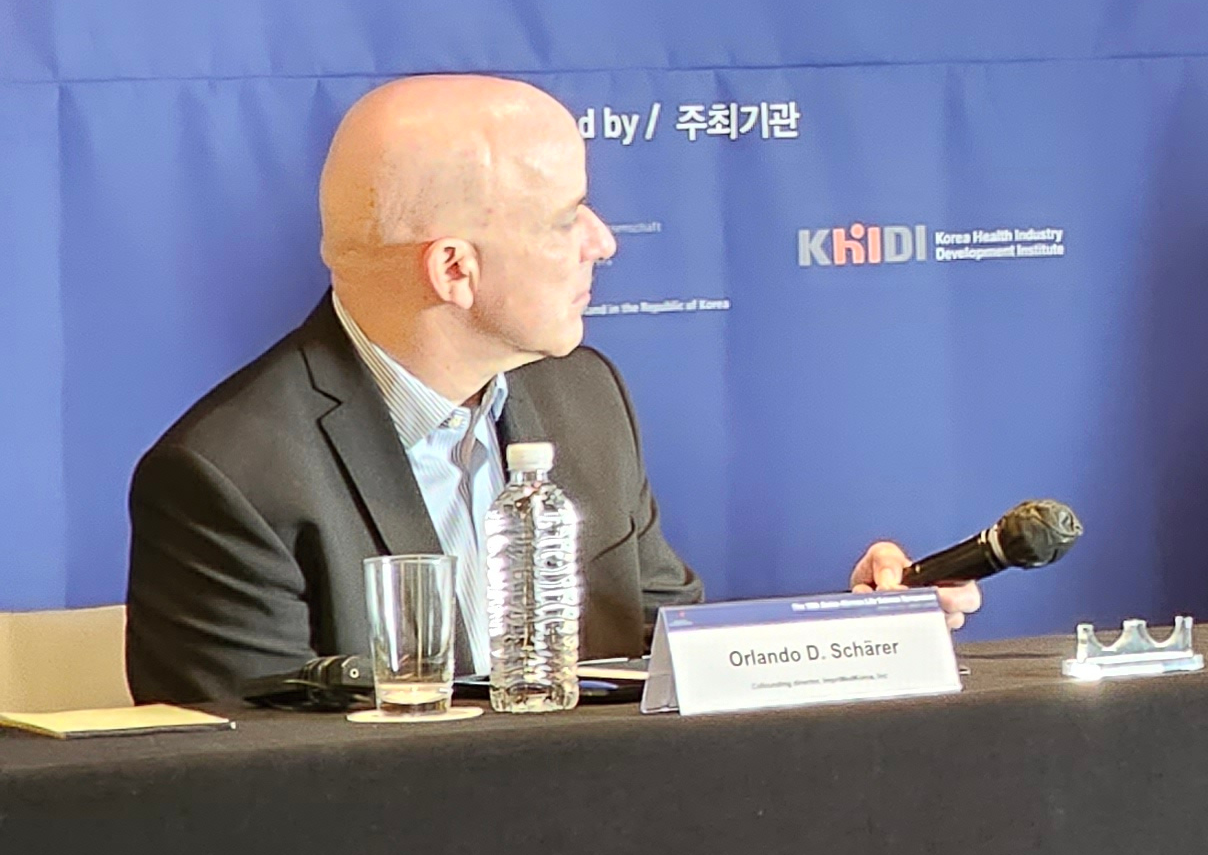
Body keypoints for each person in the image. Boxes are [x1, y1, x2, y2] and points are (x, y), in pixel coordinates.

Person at [126, 75, 975, 705]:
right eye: (568, 219)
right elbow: (244, 788)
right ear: (454, 269)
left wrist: (856, 635)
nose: (602, 243)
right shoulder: (228, 478)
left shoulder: (585, 398)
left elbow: (663, 659)